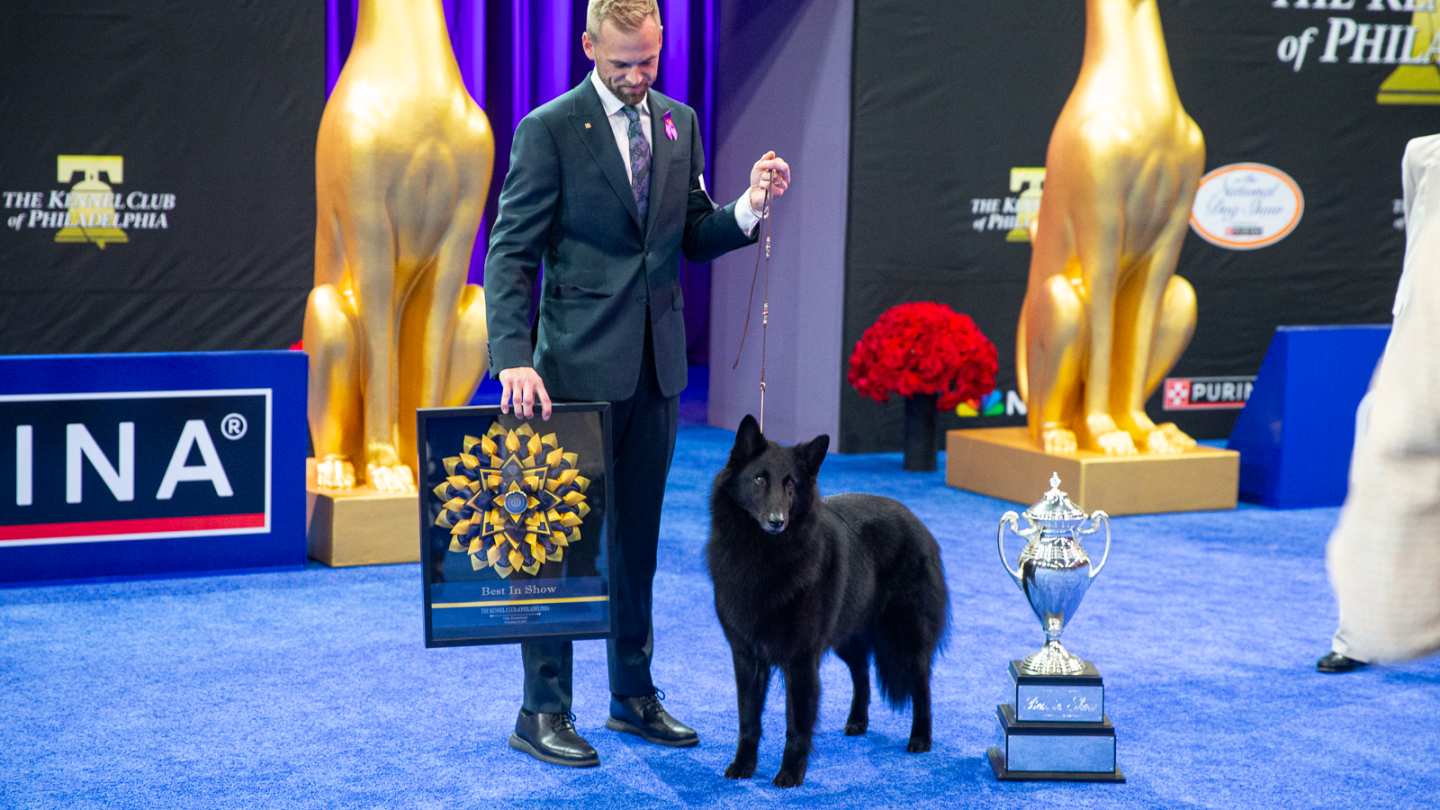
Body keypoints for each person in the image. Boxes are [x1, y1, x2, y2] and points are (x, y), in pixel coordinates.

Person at [483, 0, 791, 767]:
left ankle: (632, 695)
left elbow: (691, 234)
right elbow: (510, 253)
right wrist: (511, 355)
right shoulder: (548, 129)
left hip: (655, 374)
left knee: (637, 546)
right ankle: (541, 710)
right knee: (555, 546)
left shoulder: (678, 122)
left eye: (647, 61)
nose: (633, 77)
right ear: (588, 46)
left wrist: (749, 206)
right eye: (620, 62)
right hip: (567, 378)